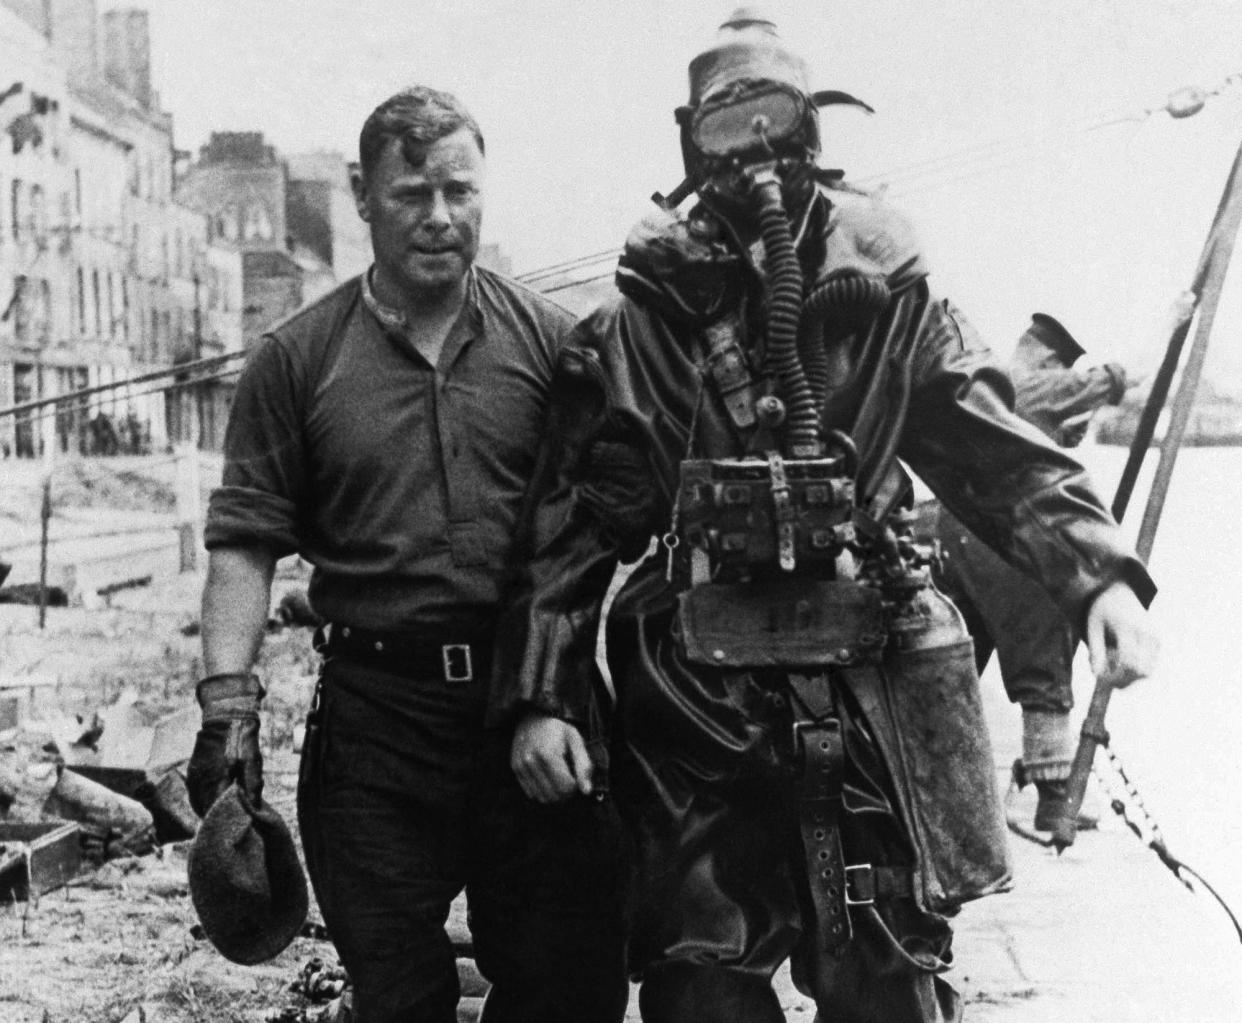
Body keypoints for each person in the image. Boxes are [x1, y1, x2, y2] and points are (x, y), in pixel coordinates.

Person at [494, 11, 1159, 1023]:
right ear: (688, 145)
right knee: (698, 974)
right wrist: (543, 692)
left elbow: (1000, 455)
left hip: (874, 670)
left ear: (815, 132)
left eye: (775, 123)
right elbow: (574, 526)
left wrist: (1099, 578)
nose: (756, 158)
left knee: (890, 966)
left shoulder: (894, 302)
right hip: (695, 689)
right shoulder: (638, 327)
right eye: (727, 130)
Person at [185, 86, 628, 1023]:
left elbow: (599, 530)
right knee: (397, 994)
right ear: (361, 194)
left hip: (530, 710)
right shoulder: (297, 361)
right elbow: (243, 544)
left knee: (565, 988)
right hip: (377, 725)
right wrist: (228, 706)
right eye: (411, 194)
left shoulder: (555, 348)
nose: (439, 218)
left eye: (459, 193)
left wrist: (552, 696)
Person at [926, 309, 1180, 832]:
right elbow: (1129, 374)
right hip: (1006, 535)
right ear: (1050, 356)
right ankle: (1053, 797)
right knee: (1043, 654)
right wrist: (1172, 321)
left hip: (949, 529)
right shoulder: (1040, 384)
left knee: (957, 663)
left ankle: (933, 787)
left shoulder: (991, 381)